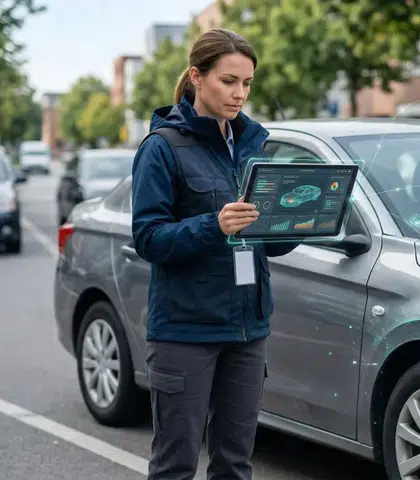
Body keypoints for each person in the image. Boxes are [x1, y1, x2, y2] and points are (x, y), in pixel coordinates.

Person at [131, 28, 299, 480]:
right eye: (228, 81)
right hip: (185, 333)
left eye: (246, 83)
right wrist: (214, 226)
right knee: (175, 464)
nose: (239, 94)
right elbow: (149, 238)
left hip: (247, 331)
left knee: (234, 464)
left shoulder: (251, 146)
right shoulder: (162, 147)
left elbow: (266, 239)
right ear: (196, 77)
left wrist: (301, 223)